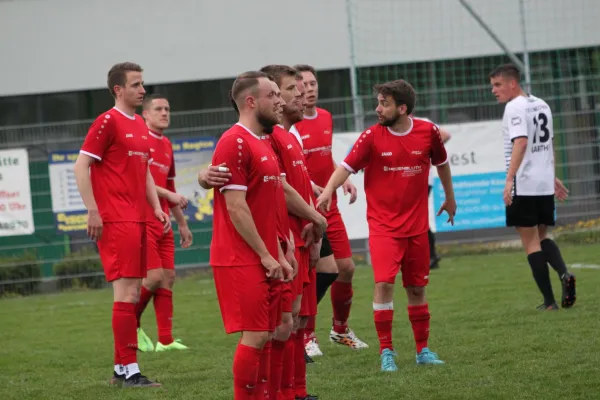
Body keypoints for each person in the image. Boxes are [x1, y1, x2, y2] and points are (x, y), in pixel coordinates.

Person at [317, 79, 456, 372]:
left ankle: (423, 350)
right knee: (383, 285)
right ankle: (387, 351)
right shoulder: (371, 137)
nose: (377, 108)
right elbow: (345, 167)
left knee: (417, 288)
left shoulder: (427, 132)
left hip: (417, 228)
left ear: (402, 108)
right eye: (378, 102)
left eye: (384, 103)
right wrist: (329, 190)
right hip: (383, 228)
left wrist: (450, 199)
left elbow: (442, 164)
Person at [73, 62, 170, 387]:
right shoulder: (107, 122)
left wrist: (156, 207)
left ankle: (121, 370)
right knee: (126, 293)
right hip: (116, 219)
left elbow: (143, 171)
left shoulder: (140, 126)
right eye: (135, 84)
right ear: (118, 90)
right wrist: (93, 211)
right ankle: (129, 371)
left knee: (130, 292)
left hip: (139, 218)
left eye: (143, 84)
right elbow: (81, 166)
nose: (142, 90)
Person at [209, 70, 293, 400]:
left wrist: (281, 249)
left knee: (271, 333)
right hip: (240, 257)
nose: (280, 101)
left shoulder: (262, 144)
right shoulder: (233, 142)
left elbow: (268, 206)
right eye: (272, 95)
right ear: (250, 101)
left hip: (266, 254)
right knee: (256, 336)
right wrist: (265, 254)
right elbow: (237, 208)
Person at [259, 65, 325, 400]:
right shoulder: (268, 138)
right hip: (285, 241)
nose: (301, 95)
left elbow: (297, 187)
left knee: (296, 320)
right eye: (292, 89)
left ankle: (296, 391)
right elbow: (281, 190)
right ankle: (280, 393)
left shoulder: (289, 136)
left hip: (303, 239)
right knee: (281, 324)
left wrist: (315, 226)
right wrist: (318, 218)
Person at [294, 64, 368, 355]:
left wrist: (344, 178)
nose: (309, 89)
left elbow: (325, 157)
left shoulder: (325, 116)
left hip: (330, 205)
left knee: (346, 268)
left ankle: (339, 329)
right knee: (316, 271)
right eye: (302, 85)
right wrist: (319, 191)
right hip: (308, 206)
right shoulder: (293, 123)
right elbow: (295, 169)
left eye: (313, 83)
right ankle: (307, 335)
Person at [489, 63, 575, 310]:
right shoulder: (541, 103)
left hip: (524, 184)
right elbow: (548, 143)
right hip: (542, 182)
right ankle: (564, 274)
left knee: (530, 243)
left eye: (497, 85)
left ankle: (549, 302)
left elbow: (522, 142)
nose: (494, 90)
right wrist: (552, 176)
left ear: (512, 83)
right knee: (541, 235)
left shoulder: (514, 107)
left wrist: (509, 180)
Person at [134, 94, 193, 352]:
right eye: (158, 109)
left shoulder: (166, 144)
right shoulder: (139, 140)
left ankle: (165, 340)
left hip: (164, 221)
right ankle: (131, 326)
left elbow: (170, 185)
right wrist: (169, 196)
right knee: (154, 276)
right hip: (142, 219)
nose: (165, 113)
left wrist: (182, 223)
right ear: (145, 114)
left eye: (167, 108)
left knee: (168, 277)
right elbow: (138, 178)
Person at [418, 117, 452, 269]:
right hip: (407, 180)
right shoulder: (394, 126)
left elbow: (445, 135)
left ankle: (430, 256)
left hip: (422, 180)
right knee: (416, 218)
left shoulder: (422, 123)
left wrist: (427, 151)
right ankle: (429, 256)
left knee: (416, 217)